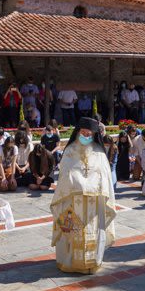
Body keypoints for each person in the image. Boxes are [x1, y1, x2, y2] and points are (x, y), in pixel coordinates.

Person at [50, 117, 116, 273]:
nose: (86, 136)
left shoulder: (99, 152)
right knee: (71, 231)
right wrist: (79, 182)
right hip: (73, 199)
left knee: (94, 231)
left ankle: (92, 263)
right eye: (83, 133)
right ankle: (70, 262)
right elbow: (65, 173)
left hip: (95, 201)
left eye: (89, 134)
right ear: (78, 132)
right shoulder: (70, 151)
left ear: (94, 135)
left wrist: (90, 184)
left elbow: (105, 174)